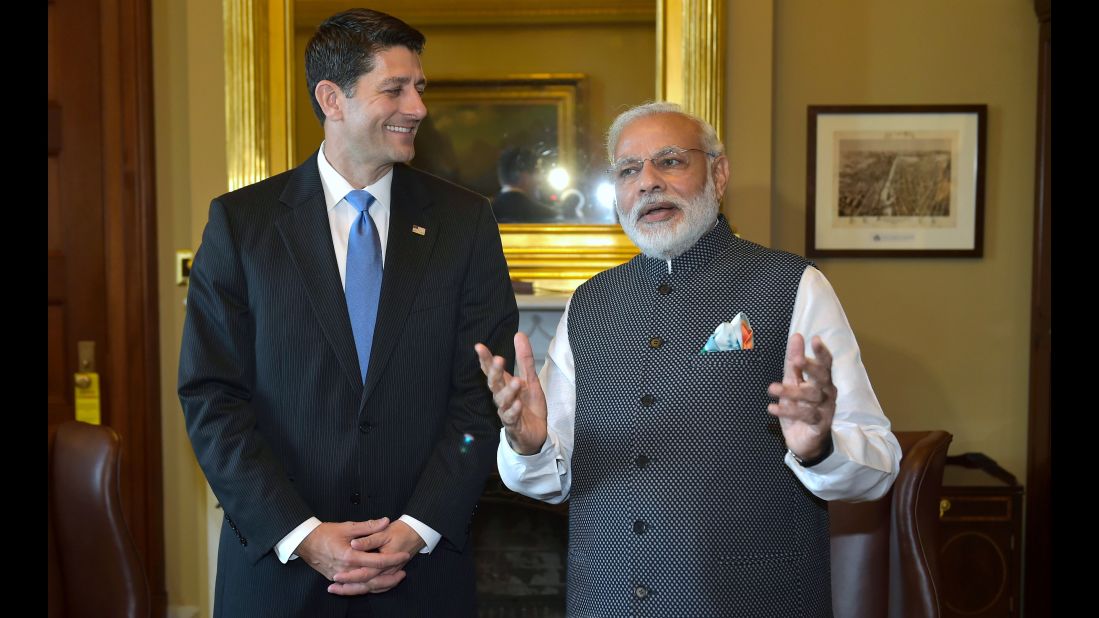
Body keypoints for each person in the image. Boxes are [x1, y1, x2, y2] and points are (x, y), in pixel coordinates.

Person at [475, 102, 900, 616]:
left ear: (718, 175)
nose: (647, 182)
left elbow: (878, 462)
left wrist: (819, 446)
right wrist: (529, 443)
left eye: (670, 161)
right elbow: (548, 479)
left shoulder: (793, 286)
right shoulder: (589, 303)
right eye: (628, 170)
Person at [179, 8, 517, 616]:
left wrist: (419, 525)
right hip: (277, 580)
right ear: (331, 98)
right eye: (394, 88)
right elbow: (210, 396)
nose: (417, 107)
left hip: (422, 576)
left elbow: (480, 394)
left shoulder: (464, 223)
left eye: (420, 87)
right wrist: (301, 533)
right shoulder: (242, 223)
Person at [491, 146, 559, 223]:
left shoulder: (483, 213)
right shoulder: (547, 216)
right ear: (524, 176)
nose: (541, 181)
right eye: (538, 171)